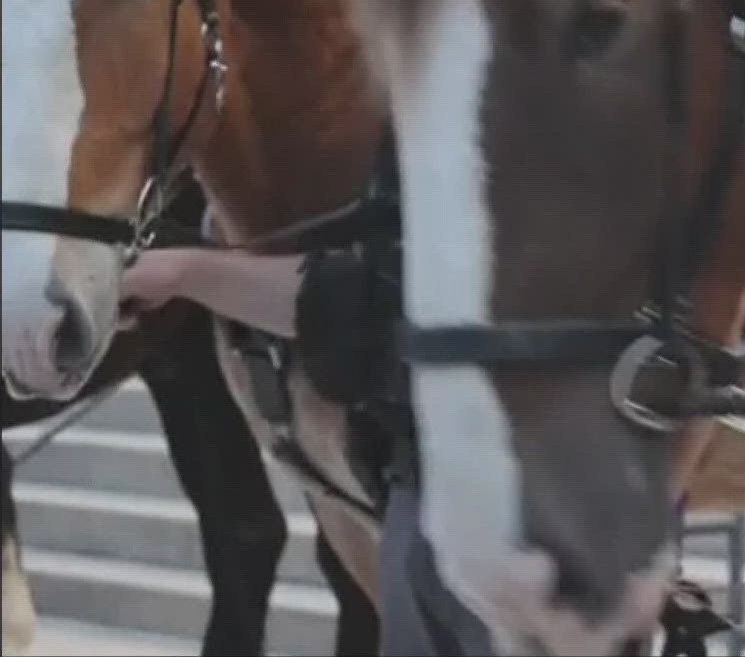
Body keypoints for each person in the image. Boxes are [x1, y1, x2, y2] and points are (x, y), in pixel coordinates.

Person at [122, 182, 499, 657]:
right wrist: (183, 272)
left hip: (520, 514)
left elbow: (370, 297)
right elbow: (366, 294)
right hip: (428, 513)